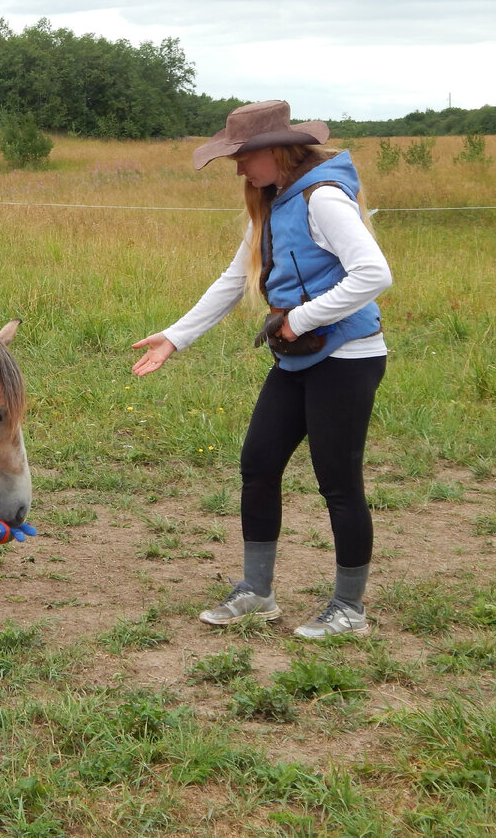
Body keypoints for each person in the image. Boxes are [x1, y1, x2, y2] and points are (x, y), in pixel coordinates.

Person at [131, 100, 392, 639]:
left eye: (244, 157)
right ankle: (257, 593)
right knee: (259, 462)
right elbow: (233, 280)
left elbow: (373, 272)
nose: (238, 169)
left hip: (347, 357)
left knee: (338, 482)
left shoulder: (323, 199)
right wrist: (174, 338)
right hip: (298, 356)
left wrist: (300, 318)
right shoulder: (274, 202)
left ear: (275, 151)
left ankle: (349, 609)